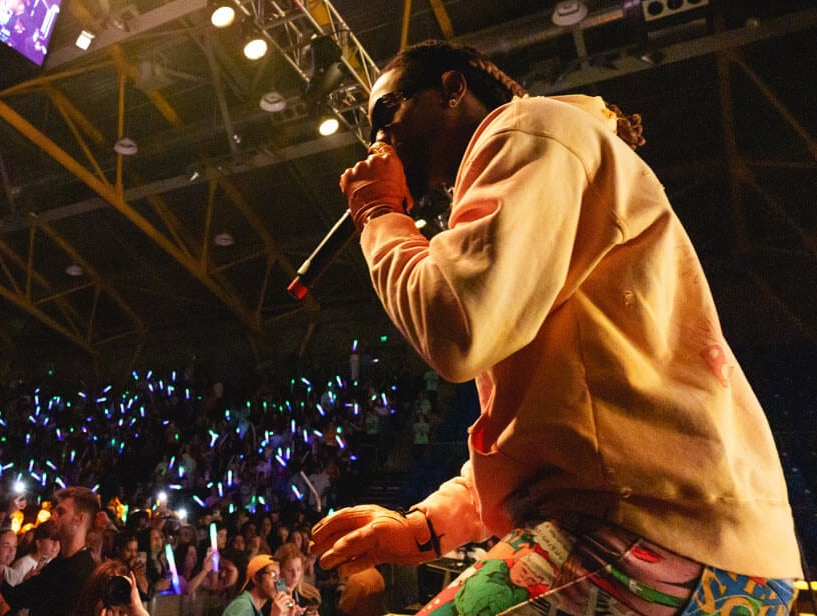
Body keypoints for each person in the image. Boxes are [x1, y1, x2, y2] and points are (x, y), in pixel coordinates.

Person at [311, 40, 802, 615]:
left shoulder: (526, 132)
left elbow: (456, 329)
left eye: (387, 114)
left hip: (647, 531)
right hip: (693, 541)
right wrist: (426, 528)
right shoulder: (550, 157)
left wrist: (379, 215)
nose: (378, 143)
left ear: (452, 88)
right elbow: (549, 436)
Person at [0, 487, 100, 616]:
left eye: (61, 512)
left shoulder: (82, 573)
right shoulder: (58, 564)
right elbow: (18, 596)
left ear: (79, 519)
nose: (53, 516)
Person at [219, 555, 299, 616]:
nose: (277, 582)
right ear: (256, 579)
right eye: (273, 574)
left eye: (279, 576)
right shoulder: (243, 606)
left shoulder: (256, 609)